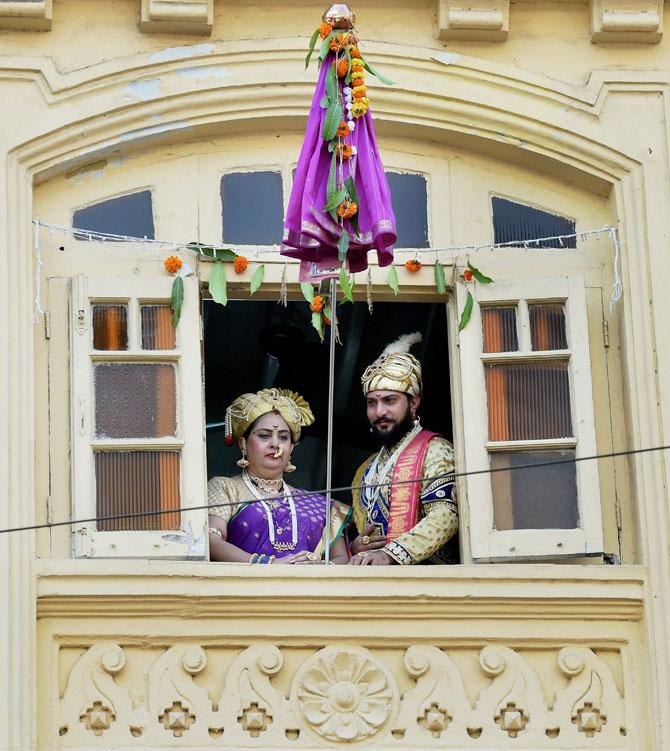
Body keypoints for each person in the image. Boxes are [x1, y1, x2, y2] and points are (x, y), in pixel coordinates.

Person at [349, 334, 459, 565]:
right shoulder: (365, 469)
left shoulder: (435, 450)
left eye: (390, 400)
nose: (379, 412)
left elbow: (446, 516)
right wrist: (356, 546)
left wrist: (391, 554)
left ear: (414, 402)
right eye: (372, 402)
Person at [207, 388, 350, 564]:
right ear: (243, 444)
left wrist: (320, 566)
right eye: (264, 436)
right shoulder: (226, 487)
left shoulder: (319, 506)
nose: (275, 444)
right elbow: (211, 542)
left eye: (283, 437)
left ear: (291, 448)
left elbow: (341, 559)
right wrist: (269, 564)